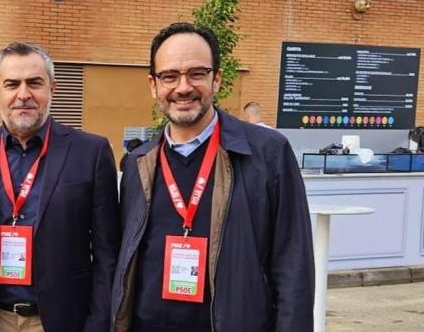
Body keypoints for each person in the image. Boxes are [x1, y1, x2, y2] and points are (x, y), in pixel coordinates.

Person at [111, 23, 314, 332]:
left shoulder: (267, 153)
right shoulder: (139, 164)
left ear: (216, 79)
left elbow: (293, 263)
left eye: (197, 74)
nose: (183, 87)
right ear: (153, 85)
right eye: (169, 76)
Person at [0, 42, 119, 332]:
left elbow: (107, 254)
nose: (23, 94)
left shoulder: (91, 152)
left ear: (52, 88)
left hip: (58, 320)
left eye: (35, 83)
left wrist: (97, 323)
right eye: (12, 84)